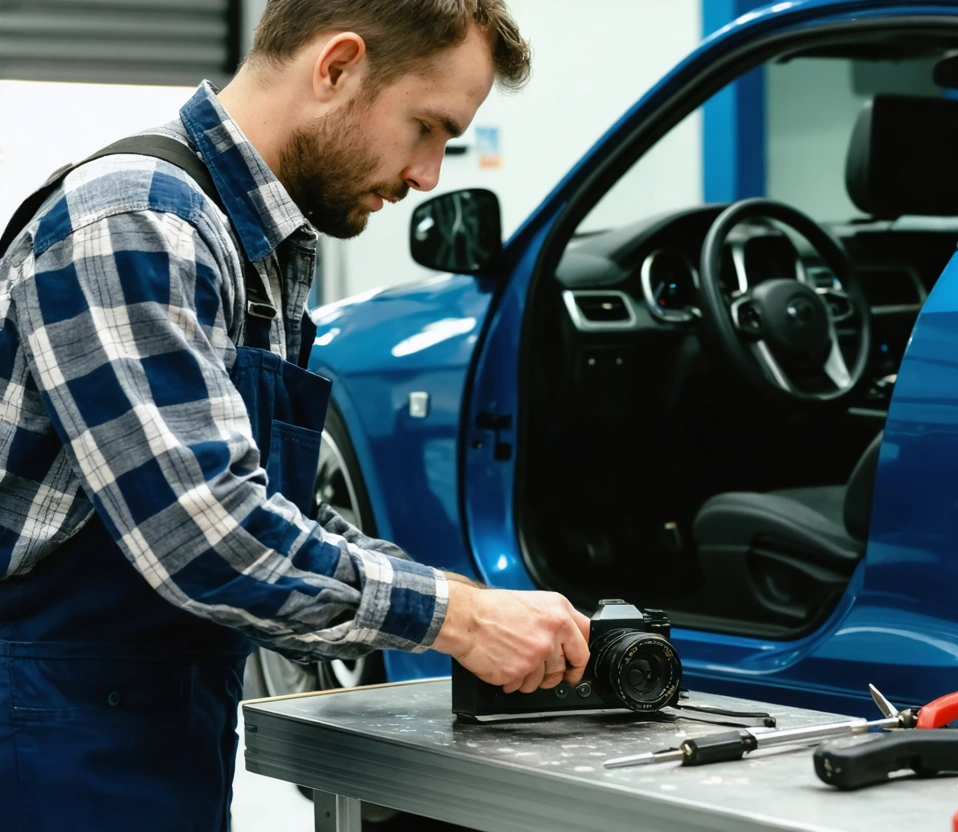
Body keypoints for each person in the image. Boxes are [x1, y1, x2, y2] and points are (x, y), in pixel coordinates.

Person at [0, 1, 590, 829]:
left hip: (147, 723)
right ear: (337, 67)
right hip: (43, 734)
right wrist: (460, 619)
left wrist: (468, 597)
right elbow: (207, 537)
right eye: (428, 128)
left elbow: (277, 521)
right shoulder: (139, 222)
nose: (429, 175)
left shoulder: (255, 248)